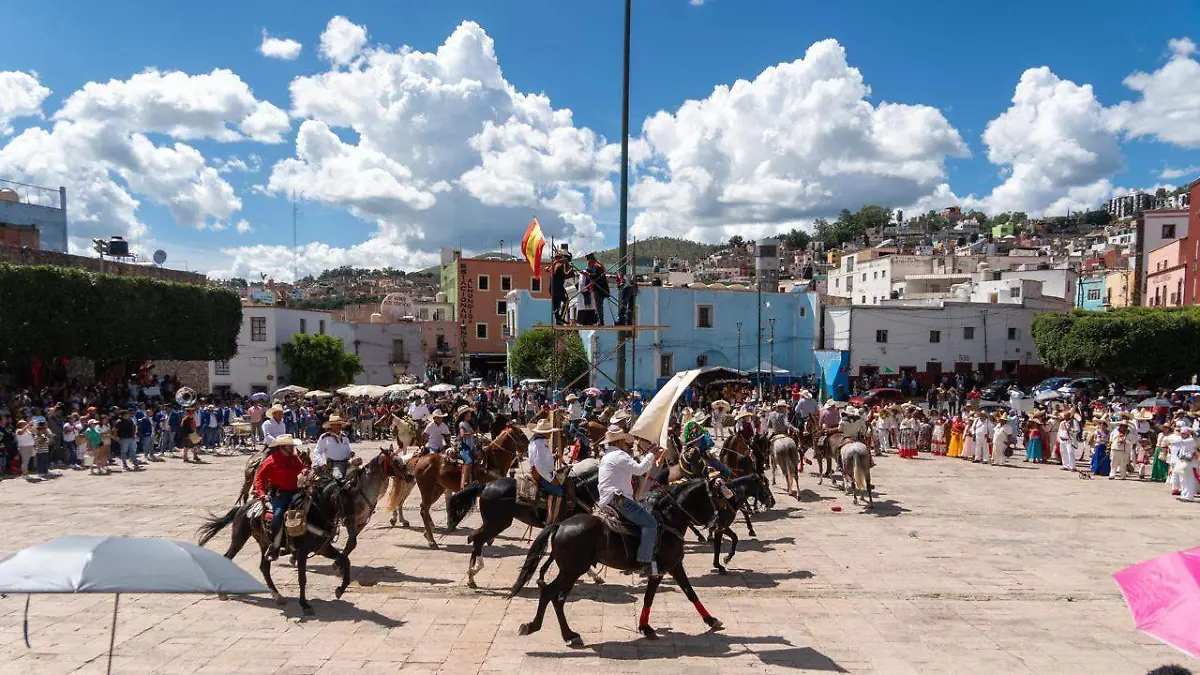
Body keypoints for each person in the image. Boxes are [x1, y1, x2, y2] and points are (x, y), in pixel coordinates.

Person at [597, 429, 660, 576]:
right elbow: (639, 470)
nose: (627, 444)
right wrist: (652, 454)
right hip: (620, 500)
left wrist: (647, 454)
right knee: (650, 523)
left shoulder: (607, 456)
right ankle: (645, 562)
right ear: (619, 441)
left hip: (606, 499)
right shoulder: (620, 455)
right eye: (624, 442)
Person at [253, 434, 307, 559]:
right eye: (290, 446)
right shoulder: (271, 460)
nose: (292, 448)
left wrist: (304, 471)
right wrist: (261, 493)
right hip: (280, 494)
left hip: (296, 492)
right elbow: (259, 477)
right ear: (282, 447)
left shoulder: (294, 458)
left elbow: (302, 468)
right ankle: (274, 546)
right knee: (277, 516)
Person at [528, 418, 565, 522]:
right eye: (549, 432)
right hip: (541, 474)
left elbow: (542, 459)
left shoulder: (536, 440)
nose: (550, 434)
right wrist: (551, 479)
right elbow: (540, 466)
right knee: (559, 491)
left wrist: (553, 457)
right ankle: (551, 520)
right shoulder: (540, 444)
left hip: (540, 470)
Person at [457, 407, 478, 489]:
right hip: (465, 447)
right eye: (468, 413)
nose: (470, 415)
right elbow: (463, 435)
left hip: (472, 446)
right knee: (468, 461)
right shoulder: (462, 424)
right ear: (464, 415)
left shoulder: (468, 424)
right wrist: (473, 433)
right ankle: (465, 481)